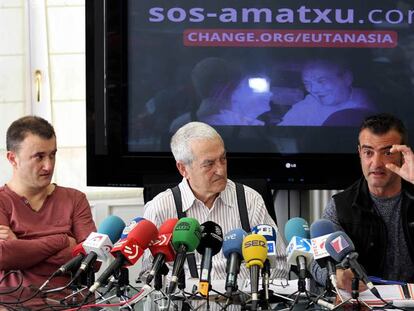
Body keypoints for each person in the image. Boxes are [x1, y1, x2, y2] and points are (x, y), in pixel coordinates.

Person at [142, 121, 288, 281]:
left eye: (223, 159)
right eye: (209, 164)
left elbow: (279, 264)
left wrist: (253, 295)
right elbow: (148, 273)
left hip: (242, 302)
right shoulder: (160, 208)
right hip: (183, 303)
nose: (221, 170)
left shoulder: (250, 200)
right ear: (183, 169)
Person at [312, 113, 414, 291]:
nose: (376, 163)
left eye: (387, 153)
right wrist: (336, 276)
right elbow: (317, 263)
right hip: (366, 302)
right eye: (368, 152)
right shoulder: (341, 206)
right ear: (359, 153)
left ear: (402, 155)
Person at [0, 116, 96, 288]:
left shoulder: (75, 199)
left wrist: (20, 249)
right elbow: (3, 257)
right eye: (39, 157)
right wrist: (63, 241)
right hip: (12, 305)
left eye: (52, 155)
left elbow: (93, 261)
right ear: (12, 159)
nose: (49, 166)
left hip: (71, 303)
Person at [279, 59, 377, 126]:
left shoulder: (370, 100)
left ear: (347, 78)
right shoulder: (307, 105)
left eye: (321, 81)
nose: (313, 90)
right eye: (307, 83)